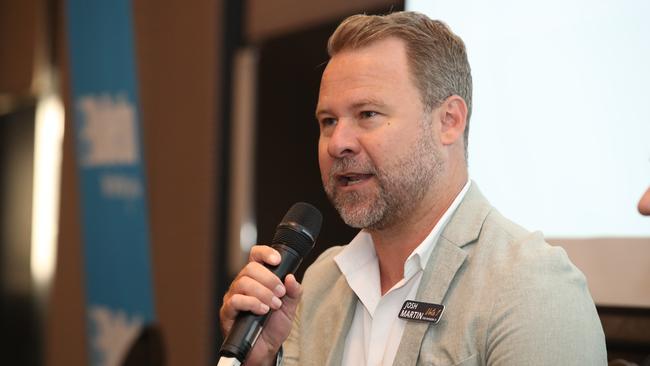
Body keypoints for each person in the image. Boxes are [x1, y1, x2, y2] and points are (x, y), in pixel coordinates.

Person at [220, 11, 607, 365]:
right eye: (327, 121)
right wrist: (262, 361)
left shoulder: (532, 287)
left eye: (367, 114)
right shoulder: (320, 282)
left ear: (449, 121)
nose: (338, 143)